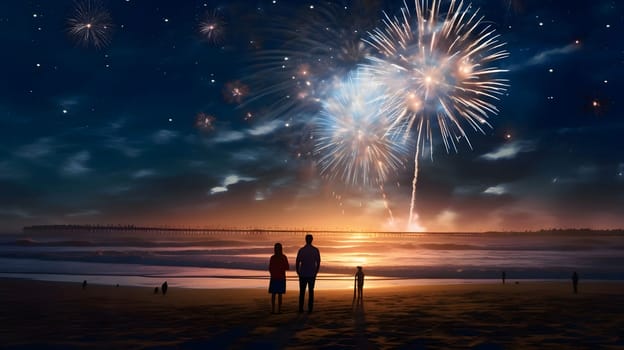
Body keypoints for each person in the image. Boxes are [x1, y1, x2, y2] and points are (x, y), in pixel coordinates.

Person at [296, 234, 321, 313]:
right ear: (312, 240)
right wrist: (316, 271)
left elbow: (297, 262)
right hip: (310, 274)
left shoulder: (302, 250)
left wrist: (298, 271)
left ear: (306, 240)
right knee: (311, 291)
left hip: (303, 273)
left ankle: (301, 308)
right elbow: (318, 262)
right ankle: (310, 309)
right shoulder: (315, 250)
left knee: (302, 292)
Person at [268, 242, 289, 314]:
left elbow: (270, 268)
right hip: (281, 277)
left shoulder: (273, 257)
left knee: (274, 294)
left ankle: (273, 310)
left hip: (274, 277)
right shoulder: (283, 257)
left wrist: (273, 273)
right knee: (279, 294)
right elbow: (287, 267)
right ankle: (279, 310)